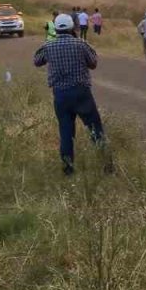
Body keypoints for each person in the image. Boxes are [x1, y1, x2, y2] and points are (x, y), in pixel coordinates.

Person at [33, 13, 110, 176]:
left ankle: (68, 168)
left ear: (56, 28)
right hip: (81, 93)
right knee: (95, 129)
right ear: (71, 28)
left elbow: (37, 60)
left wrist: (49, 44)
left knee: (66, 132)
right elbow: (93, 63)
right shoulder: (81, 44)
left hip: (60, 95)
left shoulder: (49, 46)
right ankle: (106, 165)